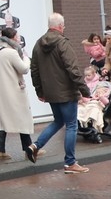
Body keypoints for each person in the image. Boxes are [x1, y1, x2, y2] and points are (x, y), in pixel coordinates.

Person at [28, 13, 92, 174]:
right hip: (66, 92)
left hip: (51, 93)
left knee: (58, 121)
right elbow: (73, 69)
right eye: (63, 26)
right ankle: (70, 163)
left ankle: (35, 145)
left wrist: (40, 91)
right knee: (71, 125)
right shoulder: (63, 43)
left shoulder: (38, 44)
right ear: (60, 26)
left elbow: (34, 70)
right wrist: (84, 90)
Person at [0, 21, 33, 161]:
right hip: (13, 91)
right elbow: (24, 69)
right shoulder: (11, 53)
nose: (19, 39)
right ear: (11, 38)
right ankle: (29, 149)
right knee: (22, 118)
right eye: (17, 37)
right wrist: (26, 58)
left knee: (3, 120)